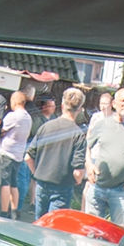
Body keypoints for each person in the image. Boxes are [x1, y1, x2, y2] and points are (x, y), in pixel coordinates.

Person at [86, 87, 124, 224]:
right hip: (97, 187)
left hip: (121, 191)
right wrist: (88, 164)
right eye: (123, 100)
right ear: (114, 104)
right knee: (89, 230)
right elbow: (87, 146)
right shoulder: (102, 124)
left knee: (118, 235)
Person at [26, 87, 86, 217]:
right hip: (62, 187)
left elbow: (28, 157)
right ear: (80, 109)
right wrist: (78, 180)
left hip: (41, 183)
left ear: (62, 105)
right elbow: (78, 171)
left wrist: (36, 172)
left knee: (39, 223)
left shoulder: (45, 127)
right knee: (53, 227)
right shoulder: (78, 134)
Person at [0, 90, 32, 217]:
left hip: (7, 152)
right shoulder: (28, 117)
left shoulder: (13, 116)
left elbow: (1, 130)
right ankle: (15, 210)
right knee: (14, 183)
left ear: (15, 101)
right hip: (19, 153)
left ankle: (3, 211)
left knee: (5, 183)